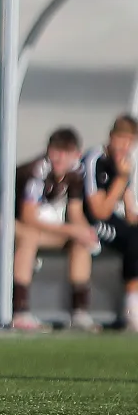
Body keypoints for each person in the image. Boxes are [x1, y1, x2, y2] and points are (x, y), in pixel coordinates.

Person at [12, 127, 97, 331]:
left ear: (76, 154)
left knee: (80, 242)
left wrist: (85, 232)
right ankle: (20, 311)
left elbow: (75, 212)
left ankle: (79, 313)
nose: (59, 158)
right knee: (30, 237)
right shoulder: (37, 171)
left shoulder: (76, 172)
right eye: (55, 151)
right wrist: (71, 230)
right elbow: (28, 216)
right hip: (4, 221)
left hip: (38, 224)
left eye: (66, 153)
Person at [81, 114, 138, 330]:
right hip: (90, 220)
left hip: (111, 219)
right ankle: (131, 309)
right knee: (133, 239)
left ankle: (131, 304)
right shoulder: (95, 160)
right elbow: (99, 210)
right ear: (111, 137)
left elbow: (129, 209)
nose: (125, 146)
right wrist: (121, 179)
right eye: (122, 140)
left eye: (130, 142)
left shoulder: (124, 164)